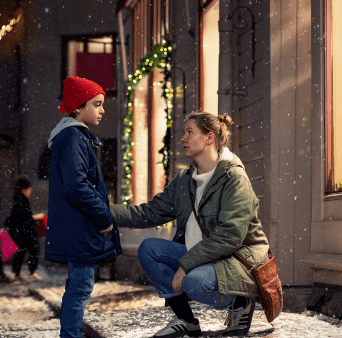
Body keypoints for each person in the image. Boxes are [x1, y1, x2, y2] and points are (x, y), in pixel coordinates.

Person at [110, 112, 270, 337]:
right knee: (148, 249)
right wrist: (103, 213)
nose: (182, 139)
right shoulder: (185, 180)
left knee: (194, 282)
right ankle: (186, 320)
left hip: (235, 261)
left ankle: (240, 299)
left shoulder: (233, 178)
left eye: (189, 132)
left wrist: (185, 265)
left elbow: (230, 236)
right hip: (201, 256)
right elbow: (151, 212)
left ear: (209, 138)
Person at [46, 77, 122, 338]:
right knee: (80, 288)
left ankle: (70, 334)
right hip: (79, 227)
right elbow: (76, 185)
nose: (103, 110)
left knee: (79, 287)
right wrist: (104, 217)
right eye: (97, 104)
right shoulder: (74, 137)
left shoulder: (72, 136)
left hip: (76, 226)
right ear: (78, 108)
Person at [6, 178, 41, 281]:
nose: (30, 191)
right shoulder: (22, 200)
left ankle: (18, 274)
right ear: (25, 189)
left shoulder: (17, 199)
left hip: (19, 231)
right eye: (29, 189)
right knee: (33, 249)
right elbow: (24, 218)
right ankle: (31, 272)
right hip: (24, 231)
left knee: (21, 252)